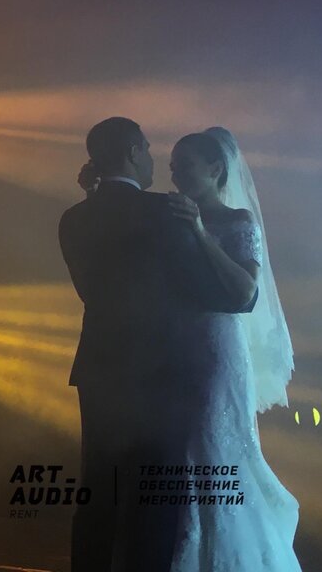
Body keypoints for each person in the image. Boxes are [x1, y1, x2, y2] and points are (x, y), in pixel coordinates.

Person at [59, 118, 252, 572]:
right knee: (155, 498)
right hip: (159, 372)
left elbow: (100, 282)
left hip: (99, 368)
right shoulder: (166, 213)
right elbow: (224, 296)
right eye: (146, 149)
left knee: (99, 490)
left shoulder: (73, 218)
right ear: (131, 151)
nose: (153, 161)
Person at [161, 128, 300, 571]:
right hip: (175, 344)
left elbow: (245, 292)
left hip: (218, 346)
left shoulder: (239, 221)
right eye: (173, 167)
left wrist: (200, 232)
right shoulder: (169, 216)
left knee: (213, 443)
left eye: (185, 166)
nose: (176, 175)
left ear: (216, 169)